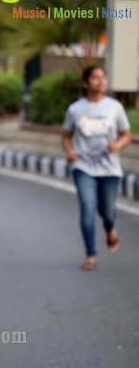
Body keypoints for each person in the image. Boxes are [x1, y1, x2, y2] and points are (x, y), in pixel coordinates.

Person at [62, 66, 130, 271]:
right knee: (88, 208)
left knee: (108, 212)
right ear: (85, 83)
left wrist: (118, 145)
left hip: (109, 168)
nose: (100, 82)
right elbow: (66, 136)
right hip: (83, 167)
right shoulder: (75, 109)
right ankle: (90, 254)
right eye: (95, 78)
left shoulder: (115, 107)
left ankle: (110, 229)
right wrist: (70, 152)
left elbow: (126, 133)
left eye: (103, 78)